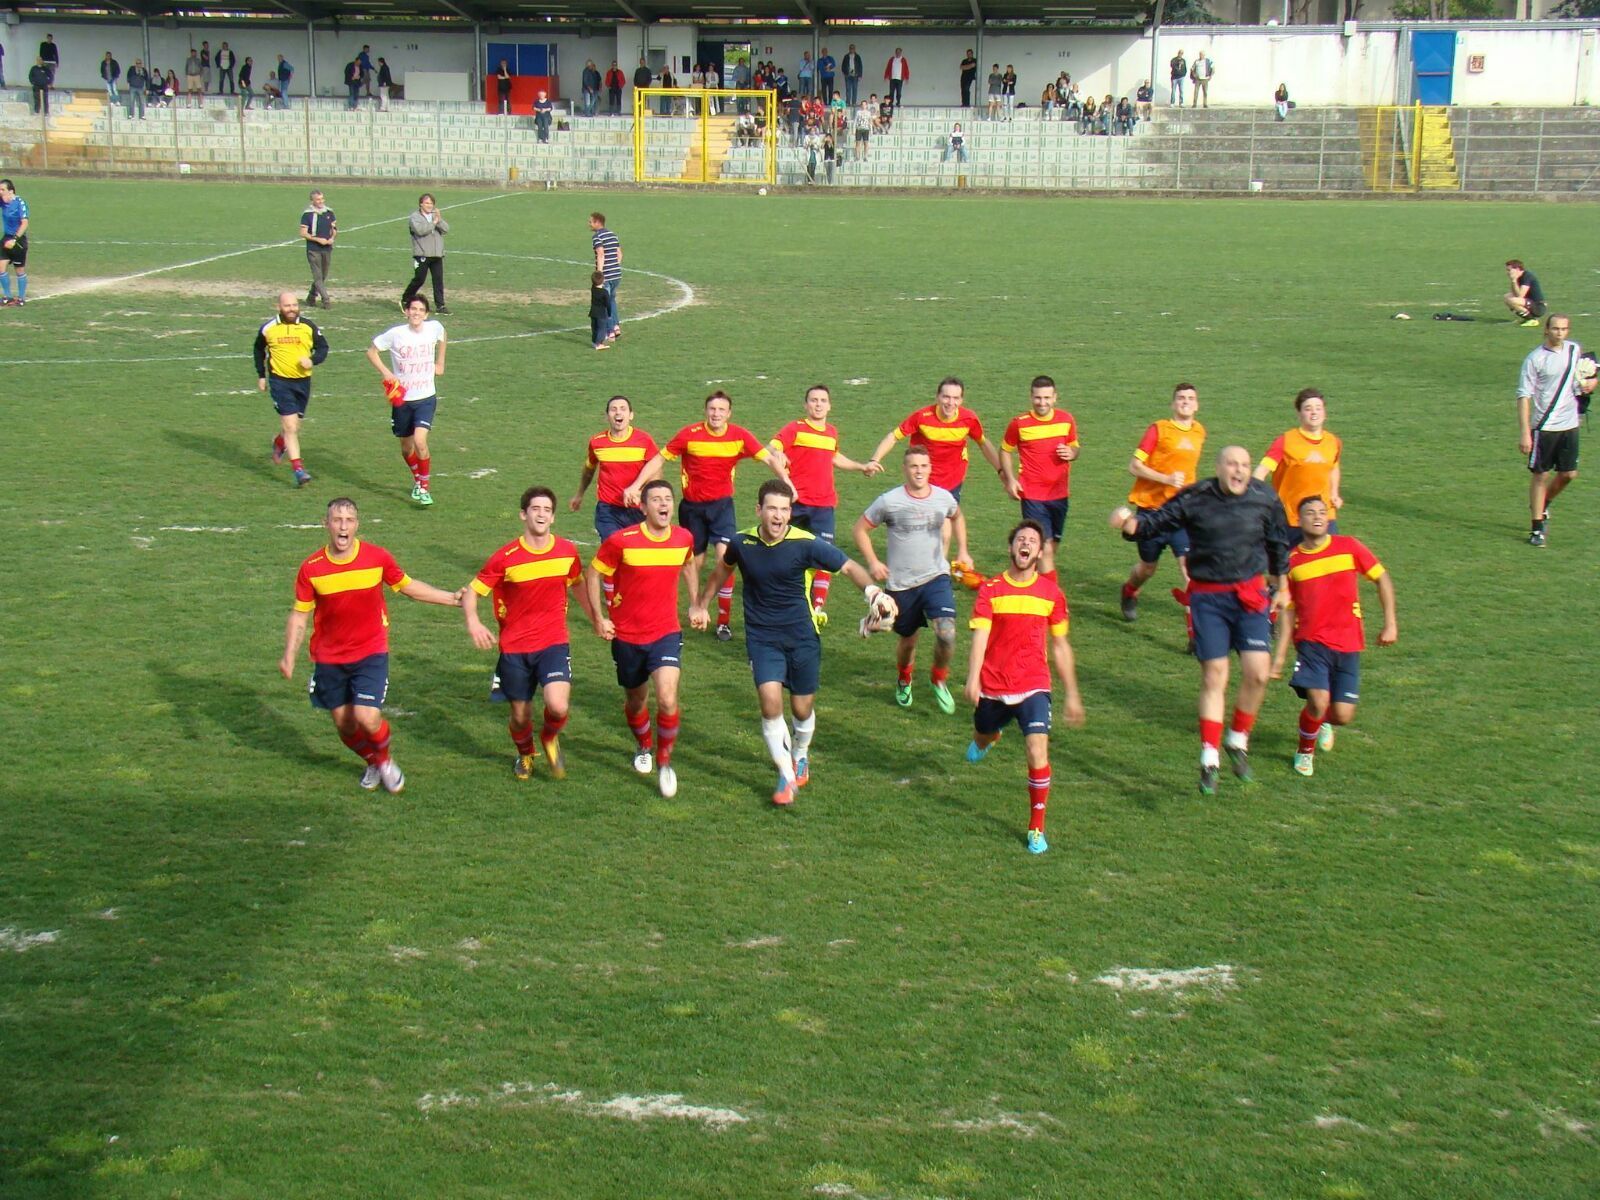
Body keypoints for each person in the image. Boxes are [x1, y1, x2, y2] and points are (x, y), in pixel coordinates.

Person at [691, 480, 887, 807]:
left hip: (801, 636)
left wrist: (873, 593)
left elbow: (849, 566)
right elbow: (721, 572)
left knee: (801, 708)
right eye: (772, 509)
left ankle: (799, 753)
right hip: (761, 636)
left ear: (790, 513)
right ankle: (785, 774)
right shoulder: (742, 542)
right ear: (759, 511)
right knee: (770, 703)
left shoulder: (805, 543)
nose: (779, 516)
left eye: (784, 509)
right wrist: (701, 604)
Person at [1113, 446, 1292, 794]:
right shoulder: (1196, 496)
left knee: (1257, 672)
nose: (1238, 471)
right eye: (1232, 464)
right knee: (1216, 673)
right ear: (1218, 467)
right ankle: (1209, 755)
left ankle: (1237, 738)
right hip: (1209, 598)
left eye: (1244, 465)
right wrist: (1128, 524)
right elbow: (1156, 522)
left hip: (1250, 595)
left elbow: (1278, 542)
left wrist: (1282, 586)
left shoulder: (1264, 497)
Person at [280, 498, 463, 795]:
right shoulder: (311, 568)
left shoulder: (376, 557)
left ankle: (386, 761)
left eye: (348, 520)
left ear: (357, 525)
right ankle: (372, 761)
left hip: (370, 651)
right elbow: (300, 614)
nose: (343, 526)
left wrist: (451, 598)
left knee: (366, 716)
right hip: (329, 657)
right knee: (344, 725)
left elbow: (408, 586)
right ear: (326, 524)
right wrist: (289, 654)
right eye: (337, 520)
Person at [623, 391, 790, 642]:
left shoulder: (739, 436)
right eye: (712, 409)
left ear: (729, 413)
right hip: (692, 508)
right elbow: (658, 458)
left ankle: (722, 620)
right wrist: (637, 485)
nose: (716, 414)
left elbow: (768, 459)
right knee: (693, 563)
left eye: (721, 410)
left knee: (725, 558)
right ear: (705, 411)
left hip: (722, 507)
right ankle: (695, 607)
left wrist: (787, 484)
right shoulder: (689, 435)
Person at [964, 521, 1086, 854]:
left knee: (1037, 750)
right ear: (1011, 548)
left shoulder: (1051, 594)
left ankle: (1036, 826)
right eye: (1020, 539)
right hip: (994, 684)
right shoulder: (991, 589)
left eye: (1033, 540)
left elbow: (1060, 646)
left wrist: (1072, 693)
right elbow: (981, 637)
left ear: (1040, 551)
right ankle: (989, 736)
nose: (1026, 544)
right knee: (982, 733)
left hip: (1034, 683)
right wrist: (973, 677)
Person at [464, 486, 600, 781]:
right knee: (519, 715)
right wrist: (474, 622)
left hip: (553, 642)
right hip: (514, 648)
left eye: (547, 510)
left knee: (558, 704)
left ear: (553, 518)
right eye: (535, 509)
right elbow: (473, 592)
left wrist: (596, 618)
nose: (541, 514)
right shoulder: (505, 557)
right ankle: (525, 753)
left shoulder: (566, 551)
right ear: (523, 515)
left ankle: (549, 737)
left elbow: (577, 584)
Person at [585, 479, 699, 799]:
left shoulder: (682, 538)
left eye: (668, 499)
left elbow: (689, 564)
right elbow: (593, 574)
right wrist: (599, 617)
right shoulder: (622, 541)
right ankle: (643, 745)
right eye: (656, 499)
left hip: (666, 632)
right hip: (628, 636)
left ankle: (664, 762)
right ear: (643, 507)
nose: (664, 504)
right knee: (636, 701)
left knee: (666, 697)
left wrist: (695, 603)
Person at [1269, 498, 1398, 778]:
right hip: (1311, 643)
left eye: (1321, 512)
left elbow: (1382, 579)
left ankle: (1322, 722)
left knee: (1342, 715)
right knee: (1317, 700)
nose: (1317, 517)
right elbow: (1288, 612)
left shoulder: (1348, 547)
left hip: (1349, 643)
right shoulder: (1291, 563)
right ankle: (1305, 751)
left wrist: (1390, 624)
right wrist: (1279, 657)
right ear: (1298, 520)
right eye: (1310, 513)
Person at [854, 446, 971, 713]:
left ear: (931, 469)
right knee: (908, 641)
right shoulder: (890, 501)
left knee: (947, 633)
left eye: (923, 466)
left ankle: (938, 679)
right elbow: (860, 530)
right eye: (913, 466)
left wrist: (962, 549)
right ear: (905, 469)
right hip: (901, 585)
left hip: (936, 577)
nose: (919, 471)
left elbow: (957, 515)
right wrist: (873, 561)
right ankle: (904, 676)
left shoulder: (943, 498)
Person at [768, 385, 883, 623]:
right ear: (806, 405)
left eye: (822, 400)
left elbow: (834, 457)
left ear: (829, 405)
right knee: (785, 552)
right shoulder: (795, 428)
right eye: (813, 400)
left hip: (824, 505)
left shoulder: (831, 432)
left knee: (825, 554)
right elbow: (772, 447)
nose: (818, 404)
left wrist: (862, 466)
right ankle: (780, 594)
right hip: (797, 503)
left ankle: (817, 608)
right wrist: (778, 455)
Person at [1117, 383, 1205, 624]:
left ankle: (1194, 636)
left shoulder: (1199, 432)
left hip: (1181, 514)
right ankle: (1130, 590)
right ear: (1173, 404)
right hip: (1152, 513)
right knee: (1147, 568)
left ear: (1197, 405)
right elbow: (1134, 465)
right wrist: (1165, 479)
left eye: (1190, 398)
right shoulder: (1159, 429)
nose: (1186, 402)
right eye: (1181, 398)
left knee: (1190, 574)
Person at [1518, 313, 1592, 546]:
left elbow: (1586, 376)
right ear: (1546, 330)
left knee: (1569, 474)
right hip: (1544, 426)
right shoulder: (1535, 359)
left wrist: (1591, 383)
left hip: (1569, 425)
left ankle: (1543, 503)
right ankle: (1537, 527)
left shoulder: (1574, 350)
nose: (1559, 333)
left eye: (1563, 329)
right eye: (1555, 329)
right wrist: (1525, 432)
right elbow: (1524, 396)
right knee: (1541, 475)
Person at [868, 376, 1002, 502]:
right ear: (937, 397)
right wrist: (875, 460)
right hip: (923, 480)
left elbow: (983, 443)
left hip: (952, 481)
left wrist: (1001, 470)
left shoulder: (969, 419)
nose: (951, 403)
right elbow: (893, 436)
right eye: (946, 397)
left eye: (956, 398)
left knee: (946, 523)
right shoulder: (922, 417)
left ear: (961, 400)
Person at [367, 297, 448, 507]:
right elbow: (372, 352)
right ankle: (417, 478)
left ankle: (424, 487)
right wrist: (386, 373)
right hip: (402, 400)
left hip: (426, 398)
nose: (416, 313)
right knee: (406, 448)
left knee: (421, 441)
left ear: (426, 314)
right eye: (413, 309)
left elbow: (443, 335)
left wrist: (440, 362)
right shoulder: (396, 334)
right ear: (407, 311)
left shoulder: (433, 328)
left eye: (421, 310)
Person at [1000, 375, 1080, 576]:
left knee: (1051, 548)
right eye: (1038, 398)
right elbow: (1005, 450)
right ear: (1031, 397)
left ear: (1055, 398)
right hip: (1033, 495)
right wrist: (1010, 479)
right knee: (1046, 549)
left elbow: (1074, 447)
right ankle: (1052, 599)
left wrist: (1072, 453)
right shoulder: (1019, 424)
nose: (1042, 403)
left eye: (1046, 398)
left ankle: (1032, 581)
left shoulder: (1066, 420)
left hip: (1060, 494)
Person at [255, 291, 328, 487]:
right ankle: (299, 470)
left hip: (303, 383)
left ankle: (280, 442)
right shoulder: (269, 328)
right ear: (279, 307)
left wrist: (312, 360)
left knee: (294, 426)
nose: (292, 309)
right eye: (287, 306)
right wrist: (262, 375)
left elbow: (323, 348)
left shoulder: (307, 326)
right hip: (280, 382)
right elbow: (258, 350)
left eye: (294, 305)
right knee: (290, 427)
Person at [570, 394, 658, 545]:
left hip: (637, 508)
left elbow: (656, 471)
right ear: (607, 416)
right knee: (613, 546)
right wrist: (579, 494)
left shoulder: (644, 440)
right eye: (613, 409)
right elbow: (589, 470)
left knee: (637, 554)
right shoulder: (597, 442)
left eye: (623, 409)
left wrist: (640, 491)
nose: (618, 413)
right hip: (608, 509)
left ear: (631, 415)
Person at [1254, 388, 1343, 535]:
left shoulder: (1334, 442)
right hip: (1292, 518)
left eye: (1318, 408)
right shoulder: (1286, 441)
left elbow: (1334, 466)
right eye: (1308, 409)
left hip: (1325, 516)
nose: (1314, 412)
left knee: (1329, 556)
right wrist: (1255, 498)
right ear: (1299, 414)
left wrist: (1334, 493)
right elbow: (1261, 471)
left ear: (1324, 413)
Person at [401, 193, 449, 315]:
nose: (429, 206)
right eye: (427, 203)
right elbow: (420, 231)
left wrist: (439, 220)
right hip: (422, 254)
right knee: (419, 279)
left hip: (437, 254)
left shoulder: (435, 216)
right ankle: (406, 298)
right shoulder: (415, 217)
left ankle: (440, 305)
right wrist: (433, 222)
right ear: (421, 204)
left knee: (438, 280)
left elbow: (446, 229)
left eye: (431, 203)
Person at [299, 189, 336, 309]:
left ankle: (311, 296)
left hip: (327, 248)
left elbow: (334, 229)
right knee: (318, 276)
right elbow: (303, 233)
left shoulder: (329, 212)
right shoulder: (307, 215)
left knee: (323, 275)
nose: (321, 201)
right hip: (313, 249)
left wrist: (332, 238)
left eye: (322, 199)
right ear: (312, 201)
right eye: (318, 199)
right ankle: (326, 300)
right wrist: (317, 239)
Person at [589, 212, 622, 341]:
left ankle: (610, 332)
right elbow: (619, 254)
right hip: (616, 274)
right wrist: (615, 266)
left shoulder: (597, 237)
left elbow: (601, 254)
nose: (589, 224)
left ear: (597, 222)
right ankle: (616, 326)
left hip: (606, 276)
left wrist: (599, 274)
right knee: (612, 300)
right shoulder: (613, 235)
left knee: (603, 304)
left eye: (591, 222)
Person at [0, 179, 29, 309]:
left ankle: (21, 298)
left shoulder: (20, 203)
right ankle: (7, 296)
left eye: (2, 190)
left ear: (11, 191)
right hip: (6, 238)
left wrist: (15, 239)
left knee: (19, 270)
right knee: (1, 267)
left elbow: (25, 223)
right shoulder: (2, 201)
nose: (0, 192)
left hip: (18, 240)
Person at [1503, 259, 1547, 326]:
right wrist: (1513, 281)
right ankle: (1526, 318)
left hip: (1538, 306)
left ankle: (1532, 320)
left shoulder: (1527, 276)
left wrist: (1514, 281)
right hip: (1530, 302)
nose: (1507, 272)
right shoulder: (1518, 277)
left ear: (1517, 269)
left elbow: (1520, 296)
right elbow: (1514, 293)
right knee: (1507, 297)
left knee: (1512, 300)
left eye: (1509, 270)